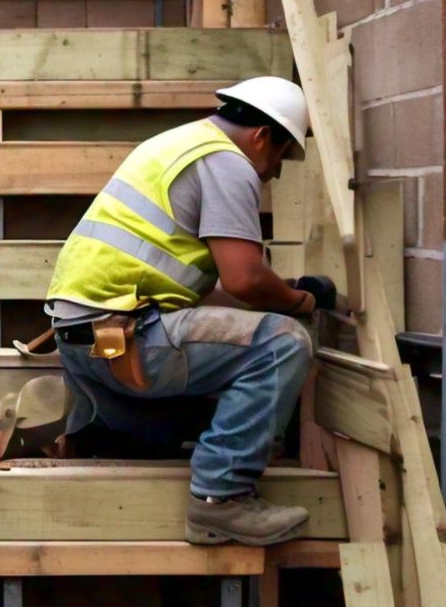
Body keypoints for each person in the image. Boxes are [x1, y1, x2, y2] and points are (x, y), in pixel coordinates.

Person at [45, 77, 340, 546]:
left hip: (85, 340)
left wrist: (276, 290)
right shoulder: (227, 162)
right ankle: (221, 498)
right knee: (283, 342)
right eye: (282, 156)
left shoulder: (176, 144)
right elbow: (244, 279)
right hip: (132, 341)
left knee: (237, 363)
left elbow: (219, 291)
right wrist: (300, 301)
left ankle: (110, 439)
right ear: (263, 136)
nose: (276, 173)